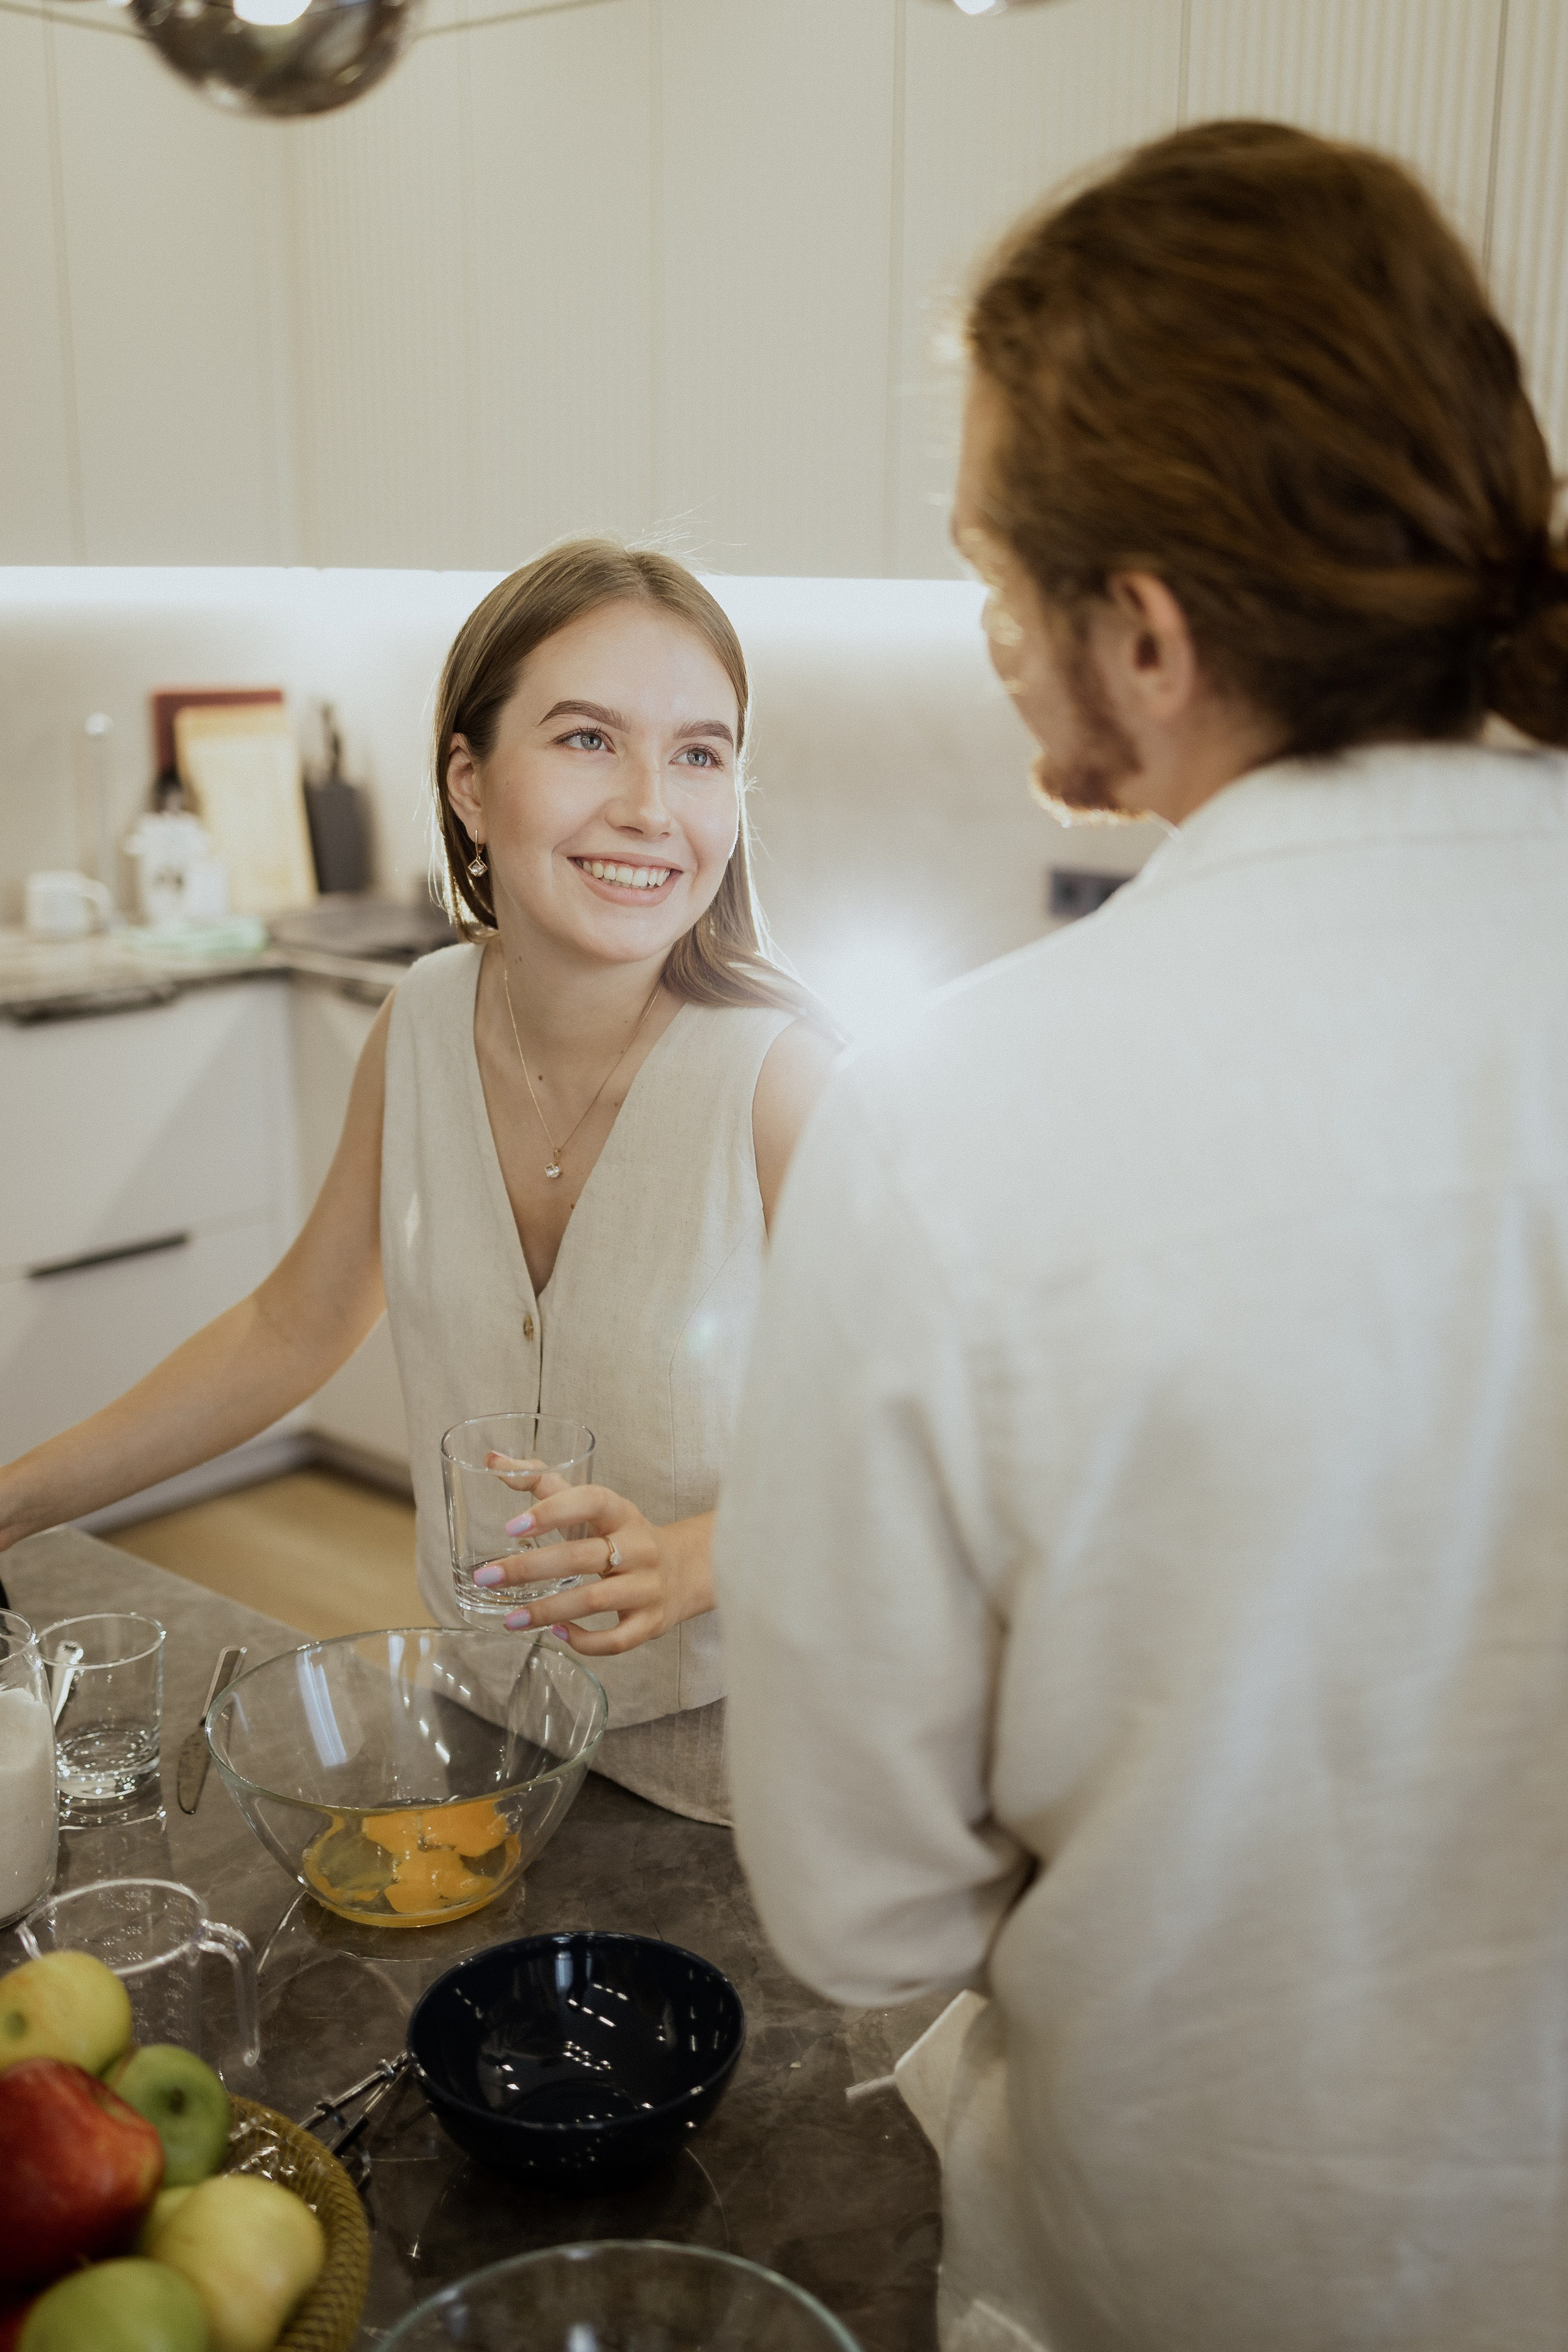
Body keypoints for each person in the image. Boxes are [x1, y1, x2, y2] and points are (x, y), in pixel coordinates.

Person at [713, 122, 1568, 2352]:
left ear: (1153, 634)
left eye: (997, 576)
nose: (996, 642)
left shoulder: (955, 1122)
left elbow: (863, 1900)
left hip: (1190, 2271)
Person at [0, 540, 837, 1825]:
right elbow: (293, 1326)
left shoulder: (784, 1086)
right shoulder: (424, 1020)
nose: (650, 809)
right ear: (467, 781)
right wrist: (12, 1504)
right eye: (584, 740)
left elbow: (920, 1456)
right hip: (486, 1724)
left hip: (750, 1782)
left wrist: (693, 1559)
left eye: (698, 752)